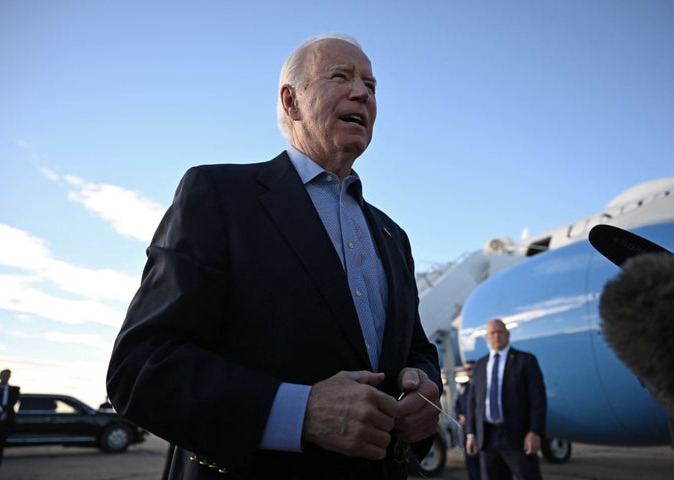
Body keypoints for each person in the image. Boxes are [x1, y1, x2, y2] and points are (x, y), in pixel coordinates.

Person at [106, 33, 442, 479]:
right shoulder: (219, 196)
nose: (362, 92)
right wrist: (300, 412)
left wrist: (423, 388)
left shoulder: (392, 235)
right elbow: (142, 366)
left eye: (371, 85)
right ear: (291, 100)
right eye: (341, 76)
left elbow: (417, 350)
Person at [466, 319, 546, 480]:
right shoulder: (480, 365)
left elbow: (538, 399)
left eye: (500, 332)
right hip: (487, 437)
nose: (497, 336)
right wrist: (471, 433)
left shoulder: (526, 361)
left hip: (518, 436)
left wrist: (535, 431)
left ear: (507, 335)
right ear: (487, 337)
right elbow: (473, 402)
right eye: (492, 333)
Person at [455, 362, 481, 480]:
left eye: (470, 368)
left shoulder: (481, 385)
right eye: (466, 369)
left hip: (479, 428)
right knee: (470, 459)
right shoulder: (463, 387)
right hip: (467, 428)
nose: (468, 371)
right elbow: (457, 404)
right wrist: (459, 414)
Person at [0, 369, 20, 480]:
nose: (5, 377)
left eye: (7, 376)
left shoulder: (15, 390)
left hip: (4, 425)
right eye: (3, 375)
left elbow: (12, 403)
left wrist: (0, 408)